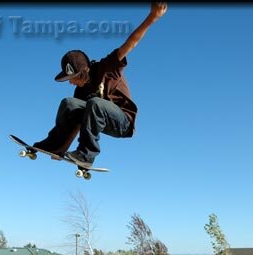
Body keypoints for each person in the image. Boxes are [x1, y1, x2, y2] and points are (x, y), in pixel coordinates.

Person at [33, 3, 168, 168]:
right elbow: (76, 123)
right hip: (100, 117)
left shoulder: (106, 67)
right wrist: (61, 150)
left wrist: (152, 17)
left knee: (95, 103)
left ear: (83, 72)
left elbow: (130, 44)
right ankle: (54, 145)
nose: (71, 82)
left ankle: (87, 154)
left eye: (73, 77)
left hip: (122, 122)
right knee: (69, 103)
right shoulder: (80, 92)